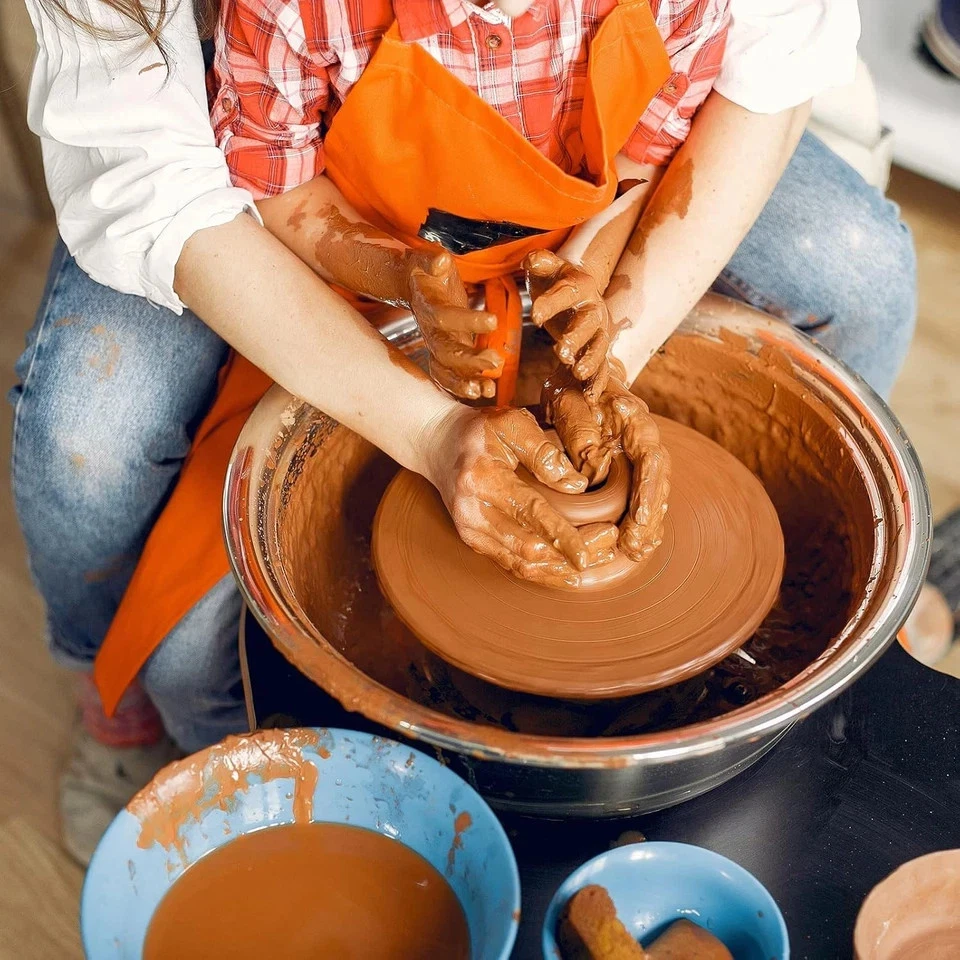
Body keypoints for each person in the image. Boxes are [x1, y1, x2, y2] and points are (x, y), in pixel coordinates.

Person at [16, 0, 915, 864]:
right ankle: (124, 700)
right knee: (93, 443)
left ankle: (853, 643)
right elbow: (208, 185)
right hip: (305, 191)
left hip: (570, 179)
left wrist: (616, 331)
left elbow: (682, 121)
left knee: (861, 270)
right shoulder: (293, 18)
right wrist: (428, 419)